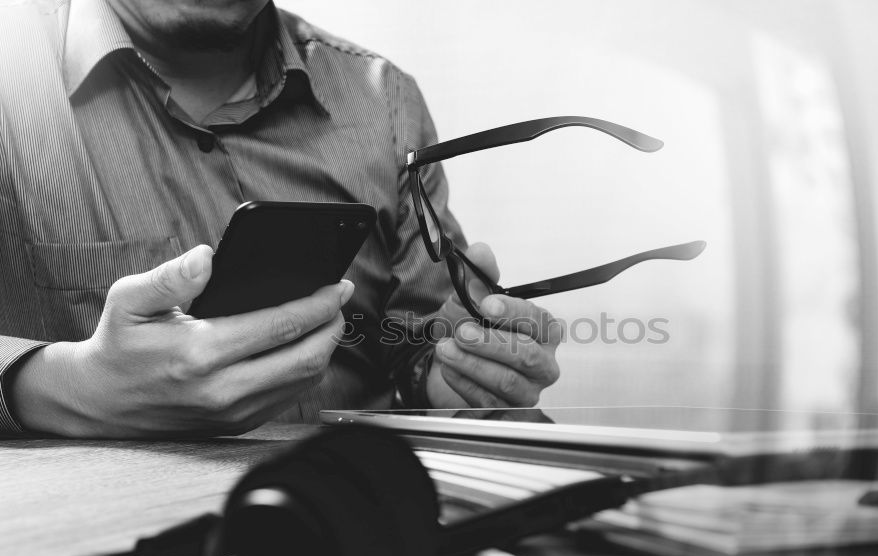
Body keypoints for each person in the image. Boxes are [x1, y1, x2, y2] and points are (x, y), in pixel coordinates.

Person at [0, 0, 562, 438]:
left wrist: (455, 379)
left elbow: (417, 350)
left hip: (360, 522)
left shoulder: (383, 101)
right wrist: (73, 386)